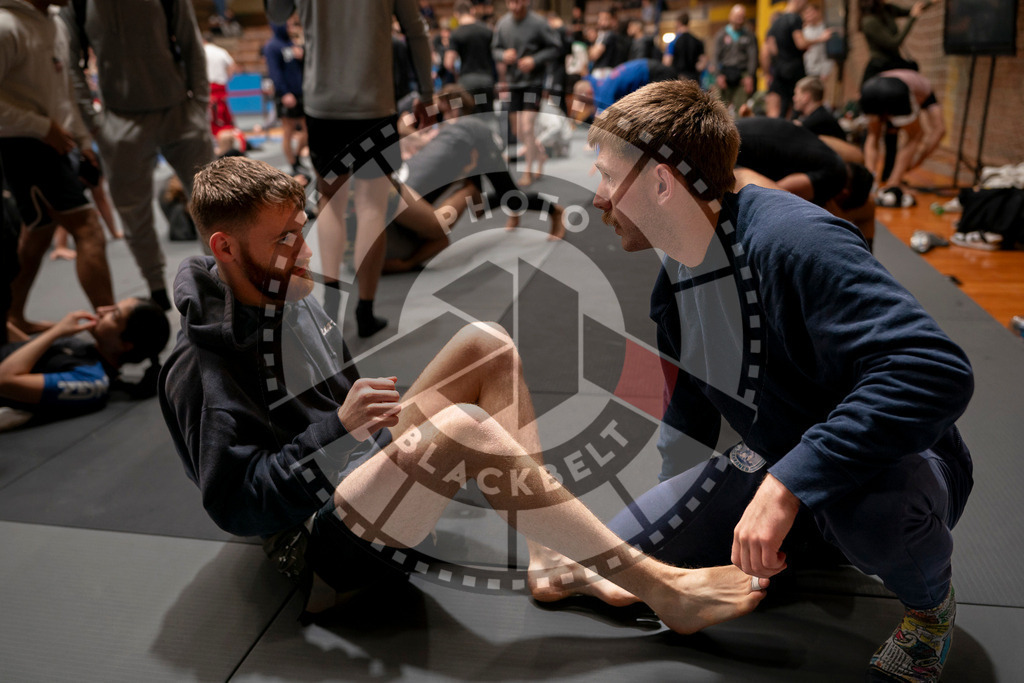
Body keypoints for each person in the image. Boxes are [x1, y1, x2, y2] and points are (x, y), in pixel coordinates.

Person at [158, 154, 768, 633]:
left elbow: (339, 415)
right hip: (310, 543)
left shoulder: (288, 299)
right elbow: (236, 506)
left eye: (300, 232)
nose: (305, 253)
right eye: (283, 241)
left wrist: (369, 432)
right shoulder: (200, 365)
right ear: (225, 248)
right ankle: (662, 588)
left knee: (488, 343)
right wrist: (339, 429)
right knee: (463, 429)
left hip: (350, 474)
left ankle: (551, 563)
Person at [588, 79, 972, 682]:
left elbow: (935, 370)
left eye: (609, 177)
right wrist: (681, 526)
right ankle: (804, 530)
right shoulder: (677, 281)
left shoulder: (793, 241)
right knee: (624, 556)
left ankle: (929, 610)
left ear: (662, 182)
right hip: (780, 460)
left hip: (898, 464)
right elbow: (686, 412)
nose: (598, 198)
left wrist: (785, 485)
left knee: (873, 511)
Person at [267, 0, 435, 339]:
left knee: (330, 202)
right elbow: (416, 30)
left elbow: (276, 14)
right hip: (375, 103)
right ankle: (365, 311)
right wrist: (426, 92)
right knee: (373, 205)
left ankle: (330, 304)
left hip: (322, 105)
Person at [62, 0, 215, 312]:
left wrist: (198, 105)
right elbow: (70, 62)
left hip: (180, 113)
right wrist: (93, 123)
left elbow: (190, 43)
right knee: (134, 214)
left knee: (213, 203)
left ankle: (218, 281)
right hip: (119, 120)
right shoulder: (77, 4)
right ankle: (156, 288)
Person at [1, 0, 115, 334]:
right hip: (23, 144)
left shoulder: (56, 22)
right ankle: (110, 330)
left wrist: (81, 140)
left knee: (38, 233)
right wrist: (41, 127)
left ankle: (12, 318)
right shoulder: (7, 26)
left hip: (55, 142)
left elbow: (64, 91)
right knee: (88, 227)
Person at [384, 85, 565, 273]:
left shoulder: (462, 124)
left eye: (439, 102)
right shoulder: (447, 126)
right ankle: (513, 210)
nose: (436, 106)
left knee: (511, 198)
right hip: (466, 158)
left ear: (450, 103)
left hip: (480, 147)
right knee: (477, 209)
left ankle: (555, 211)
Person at [0, 297, 169, 431]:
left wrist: (56, 331)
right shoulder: (86, 350)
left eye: (114, 315)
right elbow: (26, 354)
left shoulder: (92, 379)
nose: (101, 311)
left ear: (126, 344)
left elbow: (4, 381)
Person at [734, 115, 876, 247]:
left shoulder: (831, 157)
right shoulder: (834, 178)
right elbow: (776, 195)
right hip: (738, 150)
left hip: (739, 134)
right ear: (845, 194)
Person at [491, 0, 561, 187]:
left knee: (527, 128)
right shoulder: (503, 24)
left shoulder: (538, 23)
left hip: (533, 83)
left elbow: (555, 47)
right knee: (517, 130)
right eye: (511, 2)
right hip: (514, 83)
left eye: (519, 1)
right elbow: (495, 49)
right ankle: (539, 153)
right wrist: (503, 55)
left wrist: (534, 59)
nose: (515, 6)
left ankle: (528, 171)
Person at [861, 69, 944, 207]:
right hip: (896, 89)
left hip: (870, 87)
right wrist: (917, 161)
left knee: (872, 135)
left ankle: (869, 182)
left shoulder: (911, 83)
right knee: (915, 135)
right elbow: (940, 129)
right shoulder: (927, 93)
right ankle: (893, 184)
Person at [763, 0, 832, 119]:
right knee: (794, 111)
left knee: (778, 112)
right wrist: (821, 38)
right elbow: (801, 43)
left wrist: (767, 73)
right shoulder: (794, 19)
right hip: (794, 70)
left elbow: (768, 50)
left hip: (779, 70)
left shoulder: (777, 21)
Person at [263, 18, 308, 177]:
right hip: (286, 94)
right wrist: (284, 93)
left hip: (300, 92)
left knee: (307, 130)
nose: (290, 28)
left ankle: (297, 157)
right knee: (288, 130)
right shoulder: (272, 46)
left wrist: (302, 56)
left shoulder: (292, 44)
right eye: (287, 25)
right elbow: (274, 72)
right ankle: (293, 163)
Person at [570, 58, 677, 123]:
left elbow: (607, 121)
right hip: (650, 68)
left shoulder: (604, 92)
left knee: (665, 111)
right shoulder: (598, 83)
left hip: (655, 73)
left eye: (586, 101)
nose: (589, 103)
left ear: (589, 93)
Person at [859, 0, 931, 84]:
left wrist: (931, 2)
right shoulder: (869, 21)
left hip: (895, 61)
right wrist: (912, 18)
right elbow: (893, 43)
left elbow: (914, 9)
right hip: (881, 65)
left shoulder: (887, 9)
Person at [445, 1, 497, 103]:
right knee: (487, 115)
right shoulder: (487, 30)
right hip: (486, 80)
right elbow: (497, 56)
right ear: (472, 11)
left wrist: (456, 74)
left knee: (471, 115)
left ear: (456, 14)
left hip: (466, 82)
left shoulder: (456, 34)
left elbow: (448, 63)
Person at [711, 5, 758, 112]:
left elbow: (753, 57)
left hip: (742, 74)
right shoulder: (721, 34)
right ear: (730, 16)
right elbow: (715, 56)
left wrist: (750, 76)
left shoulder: (749, 35)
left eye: (742, 16)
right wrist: (718, 75)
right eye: (737, 16)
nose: (740, 19)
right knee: (720, 108)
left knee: (741, 107)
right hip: (725, 73)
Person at [203, 32, 236, 139]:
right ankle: (227, 136)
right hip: (221, 86)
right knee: (223, 112)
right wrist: (227, 78)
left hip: (208, 86)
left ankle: (218, 138)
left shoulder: (201, 51)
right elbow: (232, 66)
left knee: (213, 114)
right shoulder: (221, 51)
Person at [662, 13, 704, 83]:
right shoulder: (697, 41)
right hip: (694, 79)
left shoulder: (673, 42)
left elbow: (667, 62)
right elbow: (703, 62)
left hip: (679, 79)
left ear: (678, 23)